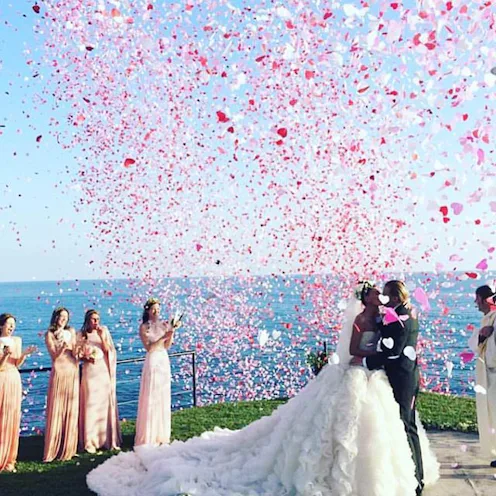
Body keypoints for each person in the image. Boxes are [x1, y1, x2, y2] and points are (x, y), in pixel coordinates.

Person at [87, 282, 439, 496]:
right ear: (368, 298)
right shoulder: (364, 318)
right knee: (340, 428)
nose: (380, 294)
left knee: (378, 427)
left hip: (375, 377)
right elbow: (356, 348)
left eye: (382, 292)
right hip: (358, 373)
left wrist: (378, 354)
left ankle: (402, 475)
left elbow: (389, 340)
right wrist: (372, 354)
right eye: (376, 292)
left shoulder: (385, 315)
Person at [356, 280, 424, 495]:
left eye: (385, 295)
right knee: (404, 424)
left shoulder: (402, 318)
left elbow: (392, 352)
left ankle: (416, 480)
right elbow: (386, 329)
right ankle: (412, 475)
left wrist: (365, 361)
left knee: (406, 425)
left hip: (403, 378)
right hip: (402, 375)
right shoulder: (400, 312)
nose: (383, 298)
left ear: (395, 297)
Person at [135, 298, 178, 447]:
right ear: (147, 310)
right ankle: (149, 434)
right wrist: (164, 336)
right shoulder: (144, 327)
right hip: (153, 359)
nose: (156, 312)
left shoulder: (164, 324)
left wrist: (172, 332)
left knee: (162, 394)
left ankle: (161, 433)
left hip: (163, 359)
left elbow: (167, 346)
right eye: (153, 309)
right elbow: (150, 347)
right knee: (151, 395)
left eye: (158, 309)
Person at [77, 309, 122, 453]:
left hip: (102, 371)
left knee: (103, 403)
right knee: (91, 402)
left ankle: (105, 439)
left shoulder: (104, 331)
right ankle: (90, 440)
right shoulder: (81, 334)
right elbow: (77, 354)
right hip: (89, 371)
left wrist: (102, 337)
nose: (96, 322)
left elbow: (109, 351)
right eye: (93, 319)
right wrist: (86, 357)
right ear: (87, 320)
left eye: (98, 319)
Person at [0, 313, 37, 472]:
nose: (12, 327)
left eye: (13, 324)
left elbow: (17, 364)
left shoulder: (17, 340)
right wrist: (4, 356)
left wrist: (24, 354)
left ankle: (9, 457)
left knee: (12, 416)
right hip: (1, 379)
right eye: (9, 324)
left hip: (14, 379)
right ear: (1, 325)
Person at [43, 307, 79, 462]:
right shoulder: (49, 334)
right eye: (61, 316)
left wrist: (81, 351)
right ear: (56, 317)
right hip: (59, 369)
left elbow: (75, 351)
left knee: (71, 407)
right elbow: (54, 356)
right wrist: (63, 347)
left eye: (66, 316)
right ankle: (53, 449)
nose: (64, 319)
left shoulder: (71, 331)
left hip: (72, 369)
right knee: (57, 407)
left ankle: (69, 447)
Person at [467, 285, 496, 467]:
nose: (475, 303)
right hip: (489, 374)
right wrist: (482, 336)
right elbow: (475, 344)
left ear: (485, 300)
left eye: (477, 299)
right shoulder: (488, 319)